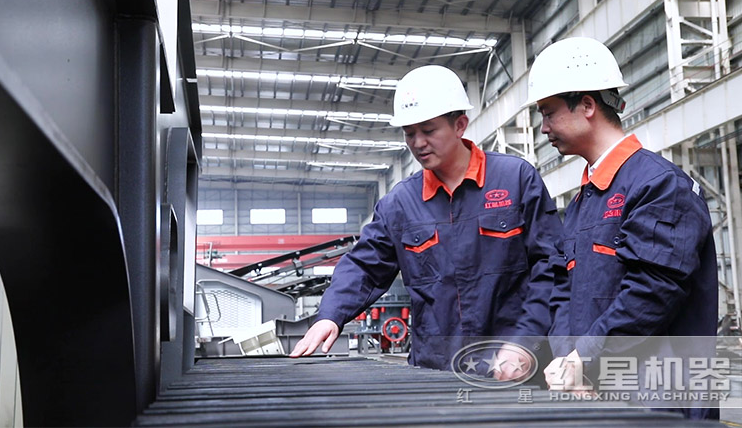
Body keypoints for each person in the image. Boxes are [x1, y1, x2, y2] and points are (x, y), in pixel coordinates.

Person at [289, 65, 563, 371]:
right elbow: (364, 267)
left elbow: (551, 267)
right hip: (435, 372)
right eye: (409, 133)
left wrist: (526, 340)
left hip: (512, 364)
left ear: (460, 125)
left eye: (429, 130)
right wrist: (330, 314)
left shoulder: (515, 180)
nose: (418, 143)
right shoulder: (401, 204)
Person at [526, 37, 718, 418]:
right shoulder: (585, 199)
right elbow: (562, 291)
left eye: (548, 113)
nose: (543, 128)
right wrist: (569, 360)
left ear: (586, 105)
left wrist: (586, 358)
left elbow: (652, 293)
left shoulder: (658, 185)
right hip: (595, 394)